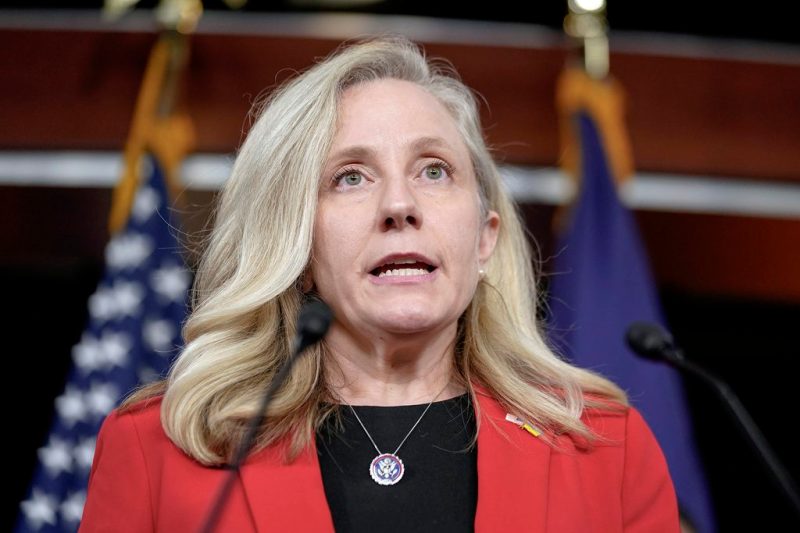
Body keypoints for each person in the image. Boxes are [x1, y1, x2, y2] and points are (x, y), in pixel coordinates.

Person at [79, 36, 679, 532]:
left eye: (434, 170)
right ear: (297, 242)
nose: (399, 204)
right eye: (351, 177)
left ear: (484, 237)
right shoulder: (157, 451)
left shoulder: (606, 449)